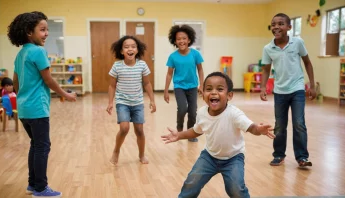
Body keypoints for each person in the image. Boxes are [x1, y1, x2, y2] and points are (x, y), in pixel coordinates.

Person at [162, 72, 275, 198]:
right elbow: (196, 130)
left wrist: (259, 129)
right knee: (191, 182)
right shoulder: (202, 113)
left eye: (220, 89)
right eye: (209, 89)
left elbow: (251, 128)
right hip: (209, 156)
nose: (214, 92)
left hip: (233, 158)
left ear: (229, 95)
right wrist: (179, 135)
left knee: (236, 189)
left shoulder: (234, 114)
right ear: (202, 94)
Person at [8, 11, 77, 197]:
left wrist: (23, 96)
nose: (47, 33)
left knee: (36, 145)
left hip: (23, 108)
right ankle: (40, 188)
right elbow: (48, 80)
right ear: (29, 32)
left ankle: (33, 184)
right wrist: (66, 94)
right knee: (42, 146)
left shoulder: (21, 54)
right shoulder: (38, 51)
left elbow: (15, 83)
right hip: (37, 108)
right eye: (42, 30)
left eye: (47, 29)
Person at [260, 13, 316, 167]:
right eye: (273, 24)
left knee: (299, 123)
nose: (276, 27)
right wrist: (263, 87)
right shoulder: (268, 48)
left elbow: (307, 63)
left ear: (289, 27)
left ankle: (302, 157)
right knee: (280, 125)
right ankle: (278, 155)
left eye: (280, 24)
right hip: (280, 91)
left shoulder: (297, 43)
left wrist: (312, 85)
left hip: (297, 88)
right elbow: (266, 69)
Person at [106, 35, 156, 165]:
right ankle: (116, 151)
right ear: (122, 51)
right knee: (124, 128)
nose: (130, 49)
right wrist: (110, 102)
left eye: (133, 46)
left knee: (139, 130)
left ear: (137, 50)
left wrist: (152, 100)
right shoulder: (117, 66)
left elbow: (147, 84)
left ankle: (141, 155)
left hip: (138, 103)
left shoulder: (142, 65)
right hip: (122, 102)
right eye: (126, 47)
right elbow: (112, 85)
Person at [164, 24, 204, 142]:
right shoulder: (173, 56)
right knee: (182, 108)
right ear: (175, 41)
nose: (181, 41)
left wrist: (202, 85)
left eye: (184, 38)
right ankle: (179, 126)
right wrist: (166, 91)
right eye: (178, 39)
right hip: (179, 87)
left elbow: (200, 70)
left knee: (192, 112)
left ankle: (190, 134)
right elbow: (169, 74)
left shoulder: (195, 54)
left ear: (189, 40)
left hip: (192, 87)